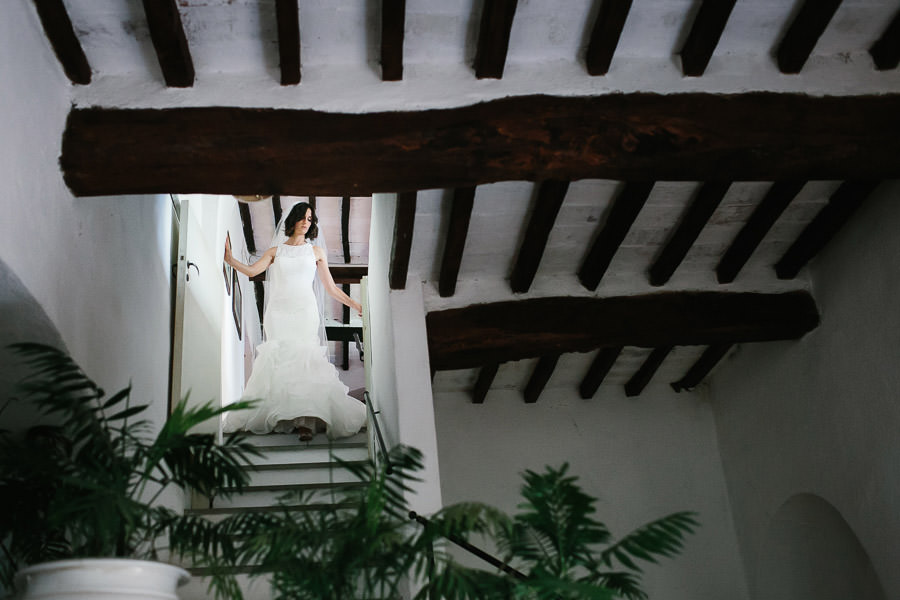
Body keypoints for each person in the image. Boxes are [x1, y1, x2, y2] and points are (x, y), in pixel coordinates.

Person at [222, 202, 366, 441]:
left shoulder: (316, 252)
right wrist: (230, 259)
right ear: (293, 220)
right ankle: (280, 414)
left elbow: (330, 288)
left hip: (304, 311)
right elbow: (251, 271)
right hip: (278, 312)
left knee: (303, 358)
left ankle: (305, 422)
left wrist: (356, 305)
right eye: (302, 217)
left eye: (310, 219)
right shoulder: (275, 252)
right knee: (279, 358)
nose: (306, 222)